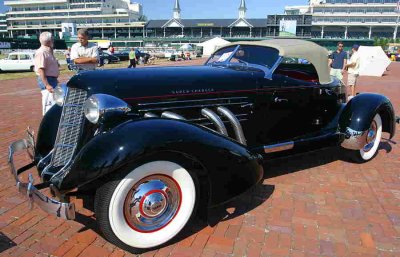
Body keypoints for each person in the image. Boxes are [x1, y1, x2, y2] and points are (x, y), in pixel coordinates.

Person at [34, 31, 60, 115]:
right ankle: (47, 121)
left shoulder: (48, 51)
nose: (53, 41)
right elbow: (41, 69)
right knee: (48, 102)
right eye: (52, 39)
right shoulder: (42, 52)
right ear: (49, 41)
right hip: (47, 79)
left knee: (53, 101)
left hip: (52, 79)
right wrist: (47, 84)